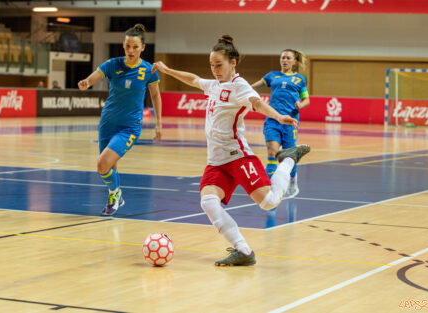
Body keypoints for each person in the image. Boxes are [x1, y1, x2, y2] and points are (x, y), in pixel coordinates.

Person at [152, 35, 310, 266]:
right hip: (216, 161)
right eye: (212, 65)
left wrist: (277, 116)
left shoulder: (239, 85)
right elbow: (195, 79)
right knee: (208, 202)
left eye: (219, 65)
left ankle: (288, 159)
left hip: (238, 157)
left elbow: (256, 103)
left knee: (269, 201)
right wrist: (167, 70)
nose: (215, 70)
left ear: (232, 62)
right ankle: (244, 251)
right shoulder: (214, 85)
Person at [78, 24, 162, 215]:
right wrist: (87, 82)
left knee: (102, 164)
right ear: (123, 46)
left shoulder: (149, 70)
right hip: (107, 123)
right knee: (109, 166)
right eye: (127, 46)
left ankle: (115, 193)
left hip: (129, 127)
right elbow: (95, 76)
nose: (131, 50)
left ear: (143, 48)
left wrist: (159, 124)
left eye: (135, 47)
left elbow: (156, 96)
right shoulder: (112, 64)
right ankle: (114, 194)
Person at [251, 49, 310, 198]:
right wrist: (240, 90)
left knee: (289, 157)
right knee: (272, 152)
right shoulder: (272, 76)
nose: (284, 60)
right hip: (272, 120)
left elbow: (307, 100)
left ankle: (292, 180)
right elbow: (253, 87)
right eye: (282, 57)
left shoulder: (299, 79)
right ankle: (268, 188)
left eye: (288, 58)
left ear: (294, 61)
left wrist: (300, 105)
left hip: (290, 122)